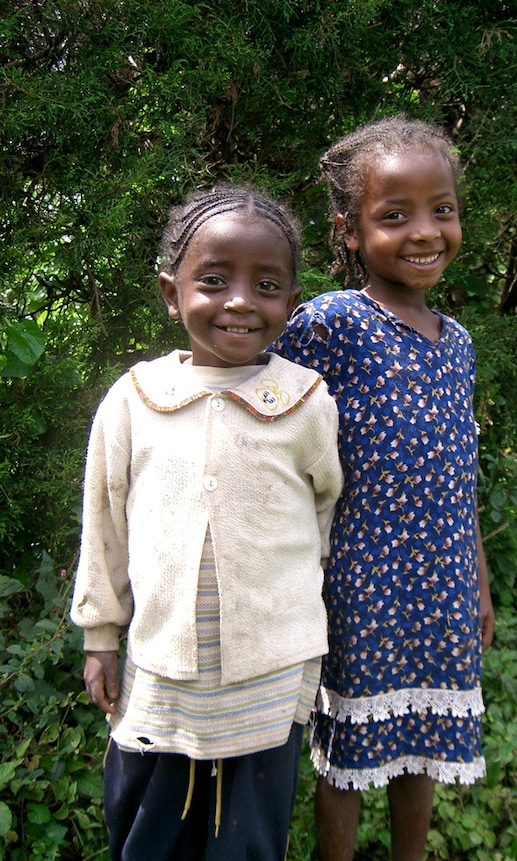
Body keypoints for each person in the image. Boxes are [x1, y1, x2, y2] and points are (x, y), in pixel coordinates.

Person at [70, 184, 343, 861]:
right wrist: (101, 634)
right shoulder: (134, 401)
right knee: (146, 830)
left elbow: (323, 510)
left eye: (267, 283)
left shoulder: (305, 401)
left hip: (271, 671)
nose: (241, 300)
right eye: (214, 280)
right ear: (171, 291)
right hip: (160, 670)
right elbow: (103, 527)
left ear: (290, 299)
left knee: (249, 838)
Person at [273, 115, 495, 861]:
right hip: (361, 578)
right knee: (350, 753)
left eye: (442, 209)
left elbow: (458, 474)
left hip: (442, 579)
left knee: (426, 746)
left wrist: (479, 583)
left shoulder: (457, 342)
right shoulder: (332, 323)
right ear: (349, 229)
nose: (424, 231)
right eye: (393, 215)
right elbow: (264, 421)